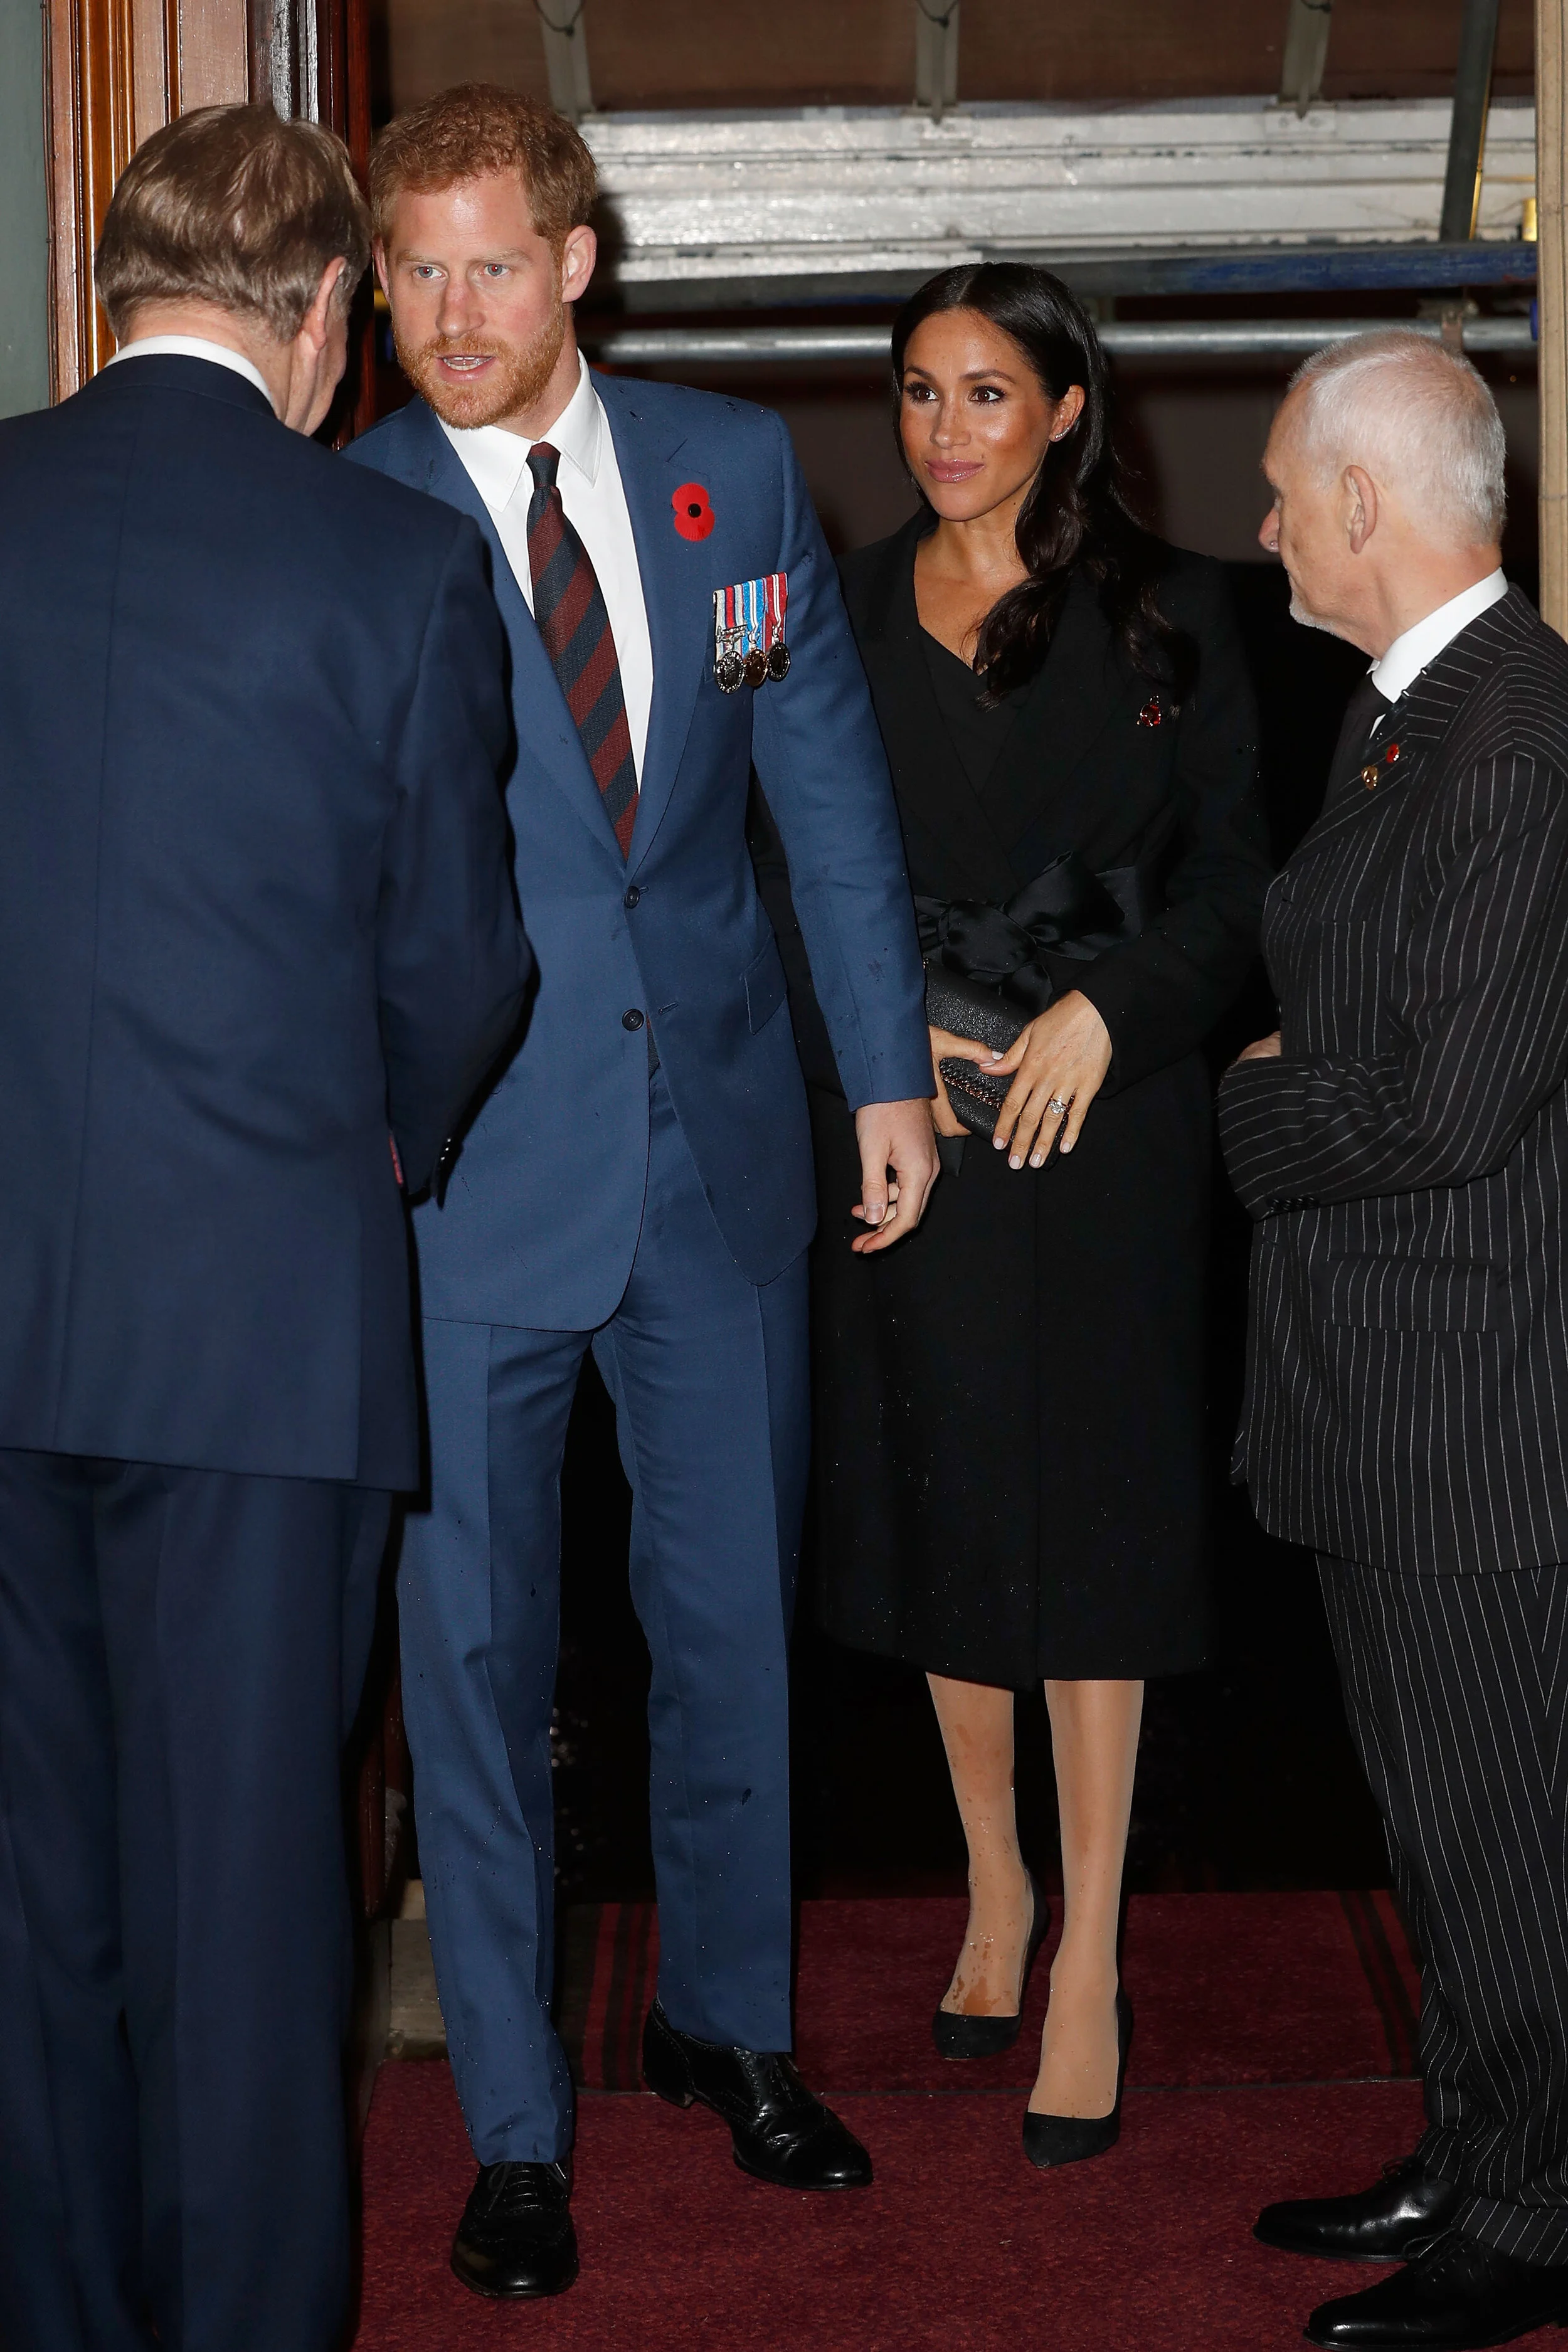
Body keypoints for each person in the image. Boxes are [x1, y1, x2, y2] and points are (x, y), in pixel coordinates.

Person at [347, 83, 936, 2300]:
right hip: (464, 1187)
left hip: (719, 1159)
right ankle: (514, 2120)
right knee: (478, 1660)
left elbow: (825, 787)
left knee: (723, 1630)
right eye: (412, 272)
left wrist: (881, 1071)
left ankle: (731, 2026)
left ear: (576, 260)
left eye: (491, 263)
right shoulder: (364, 510)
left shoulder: (733, 475)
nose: (449, 314)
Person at [0, 105, 528, 2352]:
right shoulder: (393, 571)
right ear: (323, 314)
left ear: (120, 288)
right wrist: (369, 1153)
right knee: (242, 1920)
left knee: (32, 1913)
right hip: (263, 1348)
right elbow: (459, 975)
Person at [753, 262, 1270, 2164]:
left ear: (1067, 408)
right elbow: (789, 867)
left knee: (1097, 1534)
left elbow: (1238, 885)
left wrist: (1107, 1014)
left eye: (985, 392)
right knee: (943, 1503)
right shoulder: (844, 613)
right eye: (914, 392)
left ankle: (1090, 1953)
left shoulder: (1179, 614)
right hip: (914, 1128)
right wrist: (896, 1060)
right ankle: (991, 1885)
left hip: (1100, 1124)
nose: (944, 430)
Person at [1222, 329, 1568, 2352]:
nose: (1260, 520)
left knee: (1503, 1826)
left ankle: (1531, 2212)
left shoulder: (1514, 733)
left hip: (1476, 1403)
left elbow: (1442, 1104)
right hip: (1392, 1385)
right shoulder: (1404, 714)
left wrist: (1245, 1104)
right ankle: (1477, 2138)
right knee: (1439, 1814)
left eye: (1280, 488)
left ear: (1364, 500)